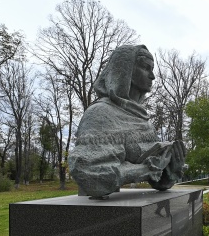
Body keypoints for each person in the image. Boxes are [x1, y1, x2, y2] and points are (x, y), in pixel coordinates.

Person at [69, 45, 186, 198]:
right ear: (126, 70)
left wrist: (172, 168)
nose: (152, 76)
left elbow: (158, 181)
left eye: (152, 69)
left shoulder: (144, 121)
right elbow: (88, 172)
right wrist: (145, 169)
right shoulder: (99, 114)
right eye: (146, 68)